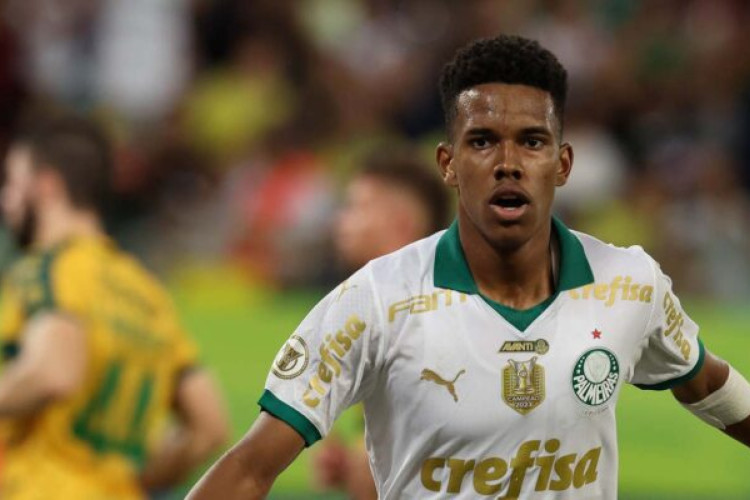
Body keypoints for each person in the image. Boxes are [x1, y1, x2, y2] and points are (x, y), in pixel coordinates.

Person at [187, 35, 750, 499]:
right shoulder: (375, 301)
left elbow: (705, 380)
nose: (508, 164)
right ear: (449, 164)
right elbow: (250, 467)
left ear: (563, 163)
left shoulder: (629, 284)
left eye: (532, 142)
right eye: (482, 141)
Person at [0, 114, 229, 499]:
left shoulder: (48, 268)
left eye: (10, 182)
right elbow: (210, 426)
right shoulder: (147, 293)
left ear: (46, 186)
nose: (5, 199)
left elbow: (55, 371)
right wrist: (135, 483)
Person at [315, 149, 451, 499]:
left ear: (402, 224)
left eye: (356, 207)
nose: (340, 221)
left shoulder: (415, 318)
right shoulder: (388, 308)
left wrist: (362, 464)